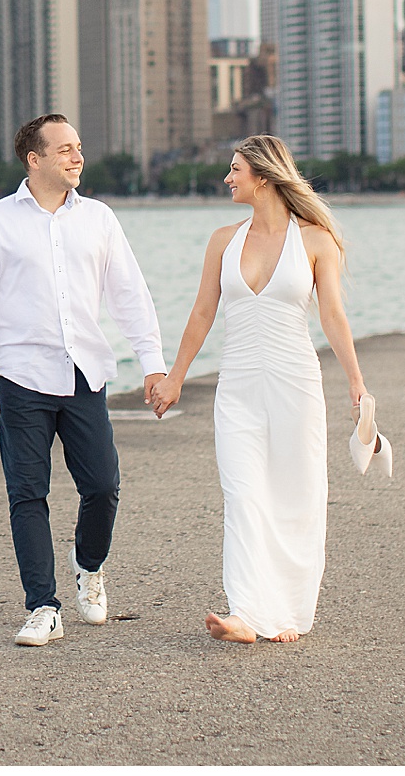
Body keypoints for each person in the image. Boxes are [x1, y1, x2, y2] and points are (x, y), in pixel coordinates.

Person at [148, 133, 382, 644]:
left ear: (264, 175)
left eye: (235, 169)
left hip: (295, 383)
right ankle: (247, 613)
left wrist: (357, 386)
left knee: (298, 494)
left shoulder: (316, 240)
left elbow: (334, 316)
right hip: (237, 387)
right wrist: (175, 377)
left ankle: (288, 612)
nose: (227, 178)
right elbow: (203, 313)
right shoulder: (223, 240)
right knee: (243, 494)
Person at [0, 113, 170, 647]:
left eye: (78, 147)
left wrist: (153, 363)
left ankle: (88, 567)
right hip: (19, 377)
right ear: (35, 158)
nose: (77, 157)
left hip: (84, 374)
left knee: (102, 485)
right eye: (65, 149)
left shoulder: (98, 218)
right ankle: (42, 606)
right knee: (27, 493)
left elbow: (129, 295)